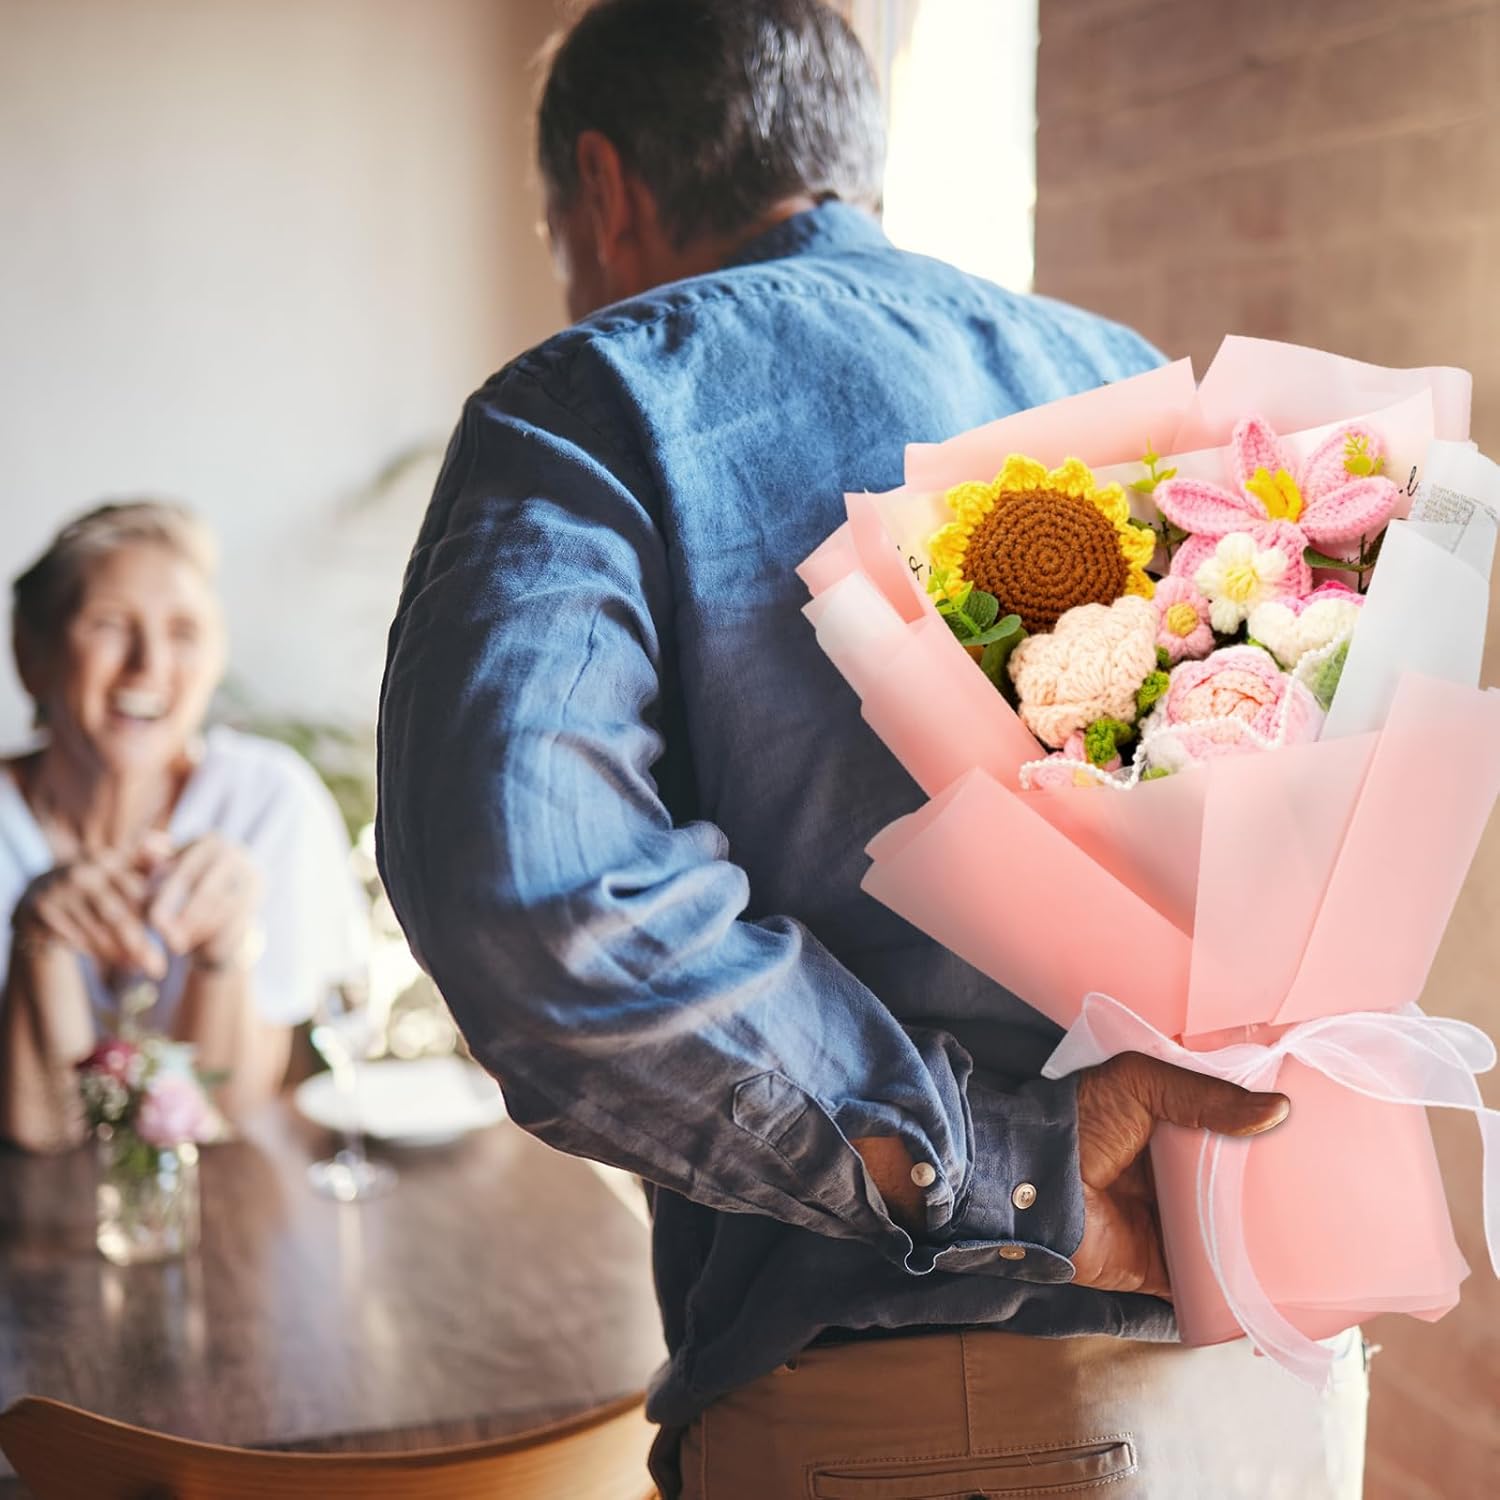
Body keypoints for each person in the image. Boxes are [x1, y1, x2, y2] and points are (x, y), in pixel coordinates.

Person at [376, 3, 1368, 1496]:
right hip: (1275, 1359)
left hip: (933, 1419)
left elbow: (541, 905)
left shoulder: (596, 401)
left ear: (603, 187)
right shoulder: (1136, 390)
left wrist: (1003, 1169)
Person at [0, 500, 368, 1153]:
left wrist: (225, 949)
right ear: (33, 656)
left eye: (184, 631)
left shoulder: (267, 801)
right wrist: (39, 939)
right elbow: (42, 1134)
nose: (149, 665)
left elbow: (223, 1114)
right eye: (110, 624)